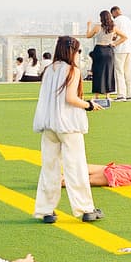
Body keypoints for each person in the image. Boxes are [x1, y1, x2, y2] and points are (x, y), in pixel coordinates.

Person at [32, 35, 103, 223]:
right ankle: (85, 209)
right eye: (78, 51)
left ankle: (46, 210)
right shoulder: (72, 70)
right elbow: (70, 98)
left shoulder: (49, 70)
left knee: (49, 167)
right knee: (76, 166)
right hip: (68, 125)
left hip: (49, 124)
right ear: (72, 51)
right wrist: (89, 105)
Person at [83, 9, 126, 97]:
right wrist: (114, 43)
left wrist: (88, 26)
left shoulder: (97, 27)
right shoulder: (113, 27)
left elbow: (88, 36)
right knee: (108, 72)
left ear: (101, 18)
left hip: (99, 50)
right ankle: (107, 95)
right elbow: (124, 37)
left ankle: (97, 95)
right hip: (109, 51)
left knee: (98, 72)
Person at [111, 6, 131, 100]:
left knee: (119, 72)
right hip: (129, 49)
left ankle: (121, 94)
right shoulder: (128, 20)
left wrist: (113, 41)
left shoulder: (116, 21)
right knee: (129, 73)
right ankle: (130, 95)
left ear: (114, 12)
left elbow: (113, 35)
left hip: (119, 49)